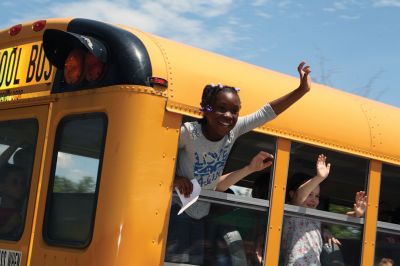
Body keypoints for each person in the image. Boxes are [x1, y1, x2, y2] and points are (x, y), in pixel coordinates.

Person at [165, 61, 312, 264]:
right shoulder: (189, 133)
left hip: (202, 212)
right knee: (176, 261)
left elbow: (266, 113)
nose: (228, 116)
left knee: (193, 262)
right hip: (177, 208)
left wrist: (301, 90)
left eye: (234, 111)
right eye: (221, 108)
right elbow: (158, 156)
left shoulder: (233, 131)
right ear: (206, 110)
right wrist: (175, 177)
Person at [281, 154, 367, 266]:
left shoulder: (315, 218)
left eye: (317, 196)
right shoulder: (291, 212)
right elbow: (299, 196)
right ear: (291, 194)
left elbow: (336, 219)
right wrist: (319, 178)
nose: (313, 199)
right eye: (309, 194)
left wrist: (356, 214)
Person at [0, 164, 26, 236]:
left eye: (22, 183)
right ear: (1, 186)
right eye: (14, 182)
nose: (20, 187)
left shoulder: (19, 216)